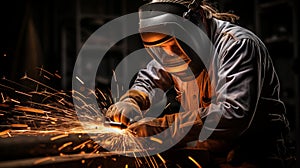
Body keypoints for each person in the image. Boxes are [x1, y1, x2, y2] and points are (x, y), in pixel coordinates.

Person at [105, 0, 291, 167]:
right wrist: (132, 100)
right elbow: (150, 78)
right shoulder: (167, 52)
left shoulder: (237, 45)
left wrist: (161, 126)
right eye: (160, 49)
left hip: (253, 155)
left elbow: (233, 114)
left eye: (175, 45)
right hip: (209, 153)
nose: (170, 55)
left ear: (199, 18)